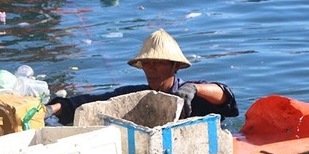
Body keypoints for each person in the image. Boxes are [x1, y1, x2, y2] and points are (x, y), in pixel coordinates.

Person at [45, 29, 238, 125]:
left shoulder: (192, 95)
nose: (151, 69)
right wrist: (51, 109)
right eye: (147, 63)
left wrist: (195, 89)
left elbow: (226, 97)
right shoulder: (135, 96)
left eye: (159, 63)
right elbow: (90, 102)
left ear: (176, 66)